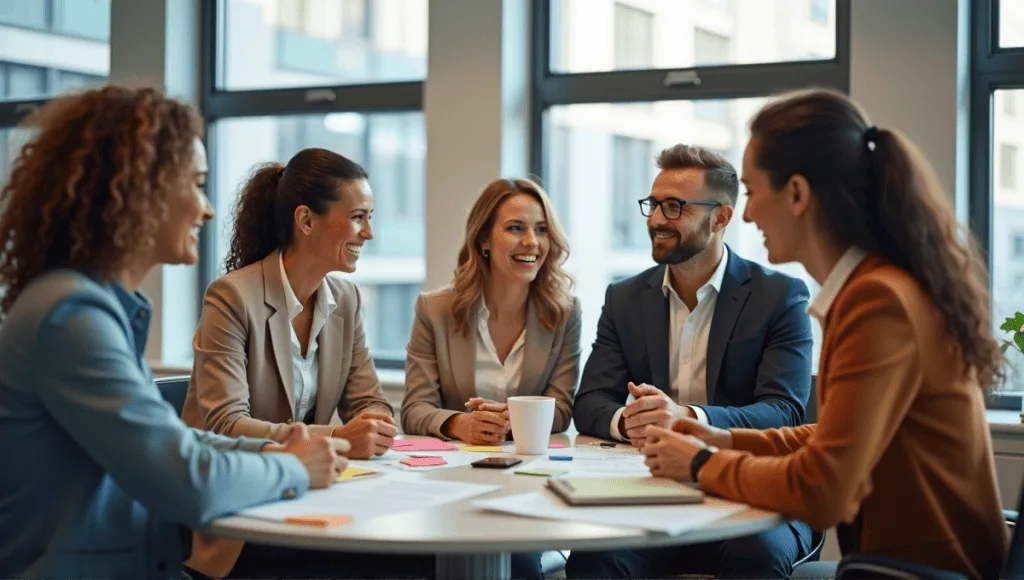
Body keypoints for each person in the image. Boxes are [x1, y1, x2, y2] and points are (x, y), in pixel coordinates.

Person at [642, 88, 1006, 580]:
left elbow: (823, 490)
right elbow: (838, 434)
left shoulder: (877, 300)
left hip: (917, 571)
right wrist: (724, 438)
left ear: (797, 193)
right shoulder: (874, 287)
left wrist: (700, 463)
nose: (745, 215)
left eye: (750, 192)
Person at [0, 86, 347, 580]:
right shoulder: (70, 318)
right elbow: (186, 480)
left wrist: (272, 449)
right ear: (140, 189)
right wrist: (295, 468)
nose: (207, 209)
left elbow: (172, 442)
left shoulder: (92, 311)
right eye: (197, 184)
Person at [567, 145, 813, 579]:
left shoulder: (780, 296)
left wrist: (688, 417)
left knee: (754, 555)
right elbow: (590, 402)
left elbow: (784, 410)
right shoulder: (623, 298)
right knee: (595, 561)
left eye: (675, 206)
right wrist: (630, 421)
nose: (656, 219)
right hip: (651, 492)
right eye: (653, 204)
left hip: (752, 493)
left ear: (720, 217)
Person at [182, 148, 428, 579]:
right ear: (307, 220)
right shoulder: (232, 297)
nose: (368, 233)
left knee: (423, 555)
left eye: (369, 217)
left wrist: (372, 421)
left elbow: (368, 398)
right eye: (357, 217)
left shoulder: (346, 300)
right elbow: (223, 424)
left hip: (312, 499)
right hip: (239, 513)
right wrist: (338, 436)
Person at [402, 177, 581, 580]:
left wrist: (516, 418)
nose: (531, 242)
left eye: (540, 230)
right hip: (452, 483)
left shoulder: (564, 312)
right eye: (515, 228)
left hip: (530, 485)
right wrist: (459, 423)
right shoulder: (435, 310)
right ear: (484, 238)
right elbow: (414, 409)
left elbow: (564, 407)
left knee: (518, 562)